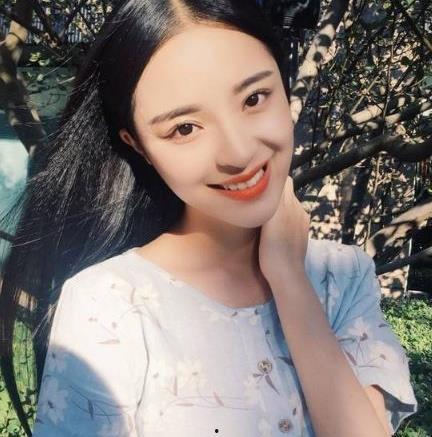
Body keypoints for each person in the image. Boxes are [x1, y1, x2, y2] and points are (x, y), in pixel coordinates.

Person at [0, 0, 418, 436]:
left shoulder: (343, 277)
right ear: (138, 144)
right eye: (184, 128)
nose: (238, 152)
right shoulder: (109, 303)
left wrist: (290, 280)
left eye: (254, 98)